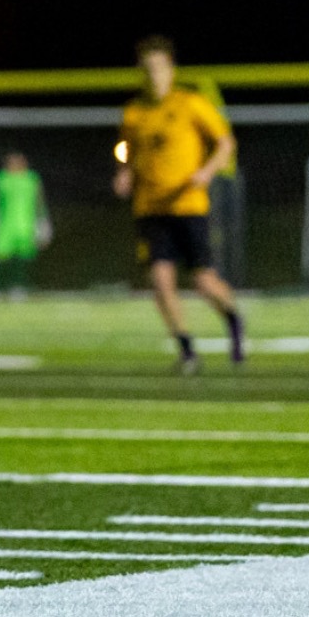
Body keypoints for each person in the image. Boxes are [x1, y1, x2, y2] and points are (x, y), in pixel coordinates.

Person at [114, 36, 245, 373]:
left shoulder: (190, 103)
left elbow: (225, 143)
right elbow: (129, 153)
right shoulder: (134, 112)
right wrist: (125, 174)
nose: (153, 75)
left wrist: (206, 172)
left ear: (170, 70)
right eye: (147, 69)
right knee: (160, 281)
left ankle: (232, 317)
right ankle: (187, 350)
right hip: (150, 208)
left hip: (188, 206)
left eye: (158, 67)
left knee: (203, 282)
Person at [0, 151, 51, 299]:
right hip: (4, 225)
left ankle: (18, 288)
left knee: (22, 259)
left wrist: (43, 224)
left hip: (25, 226)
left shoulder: (31, 180)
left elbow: (40, 203)